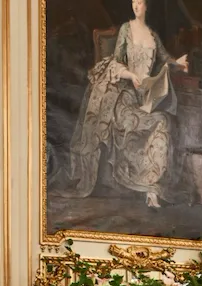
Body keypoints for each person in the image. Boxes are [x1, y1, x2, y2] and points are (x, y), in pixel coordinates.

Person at [51, 0, 190, 209]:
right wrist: (131, 75)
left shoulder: (153, 35)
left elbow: (164, 58)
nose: (136, 6)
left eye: (140, 2)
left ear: (147, 6)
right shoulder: (126, 29)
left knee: (162, 122)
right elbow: (116, 62)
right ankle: (146, 188)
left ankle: (152, 189)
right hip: (124, 95)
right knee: (137, 122)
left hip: (144, 96)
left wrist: (177, 63)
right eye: (133, 2)